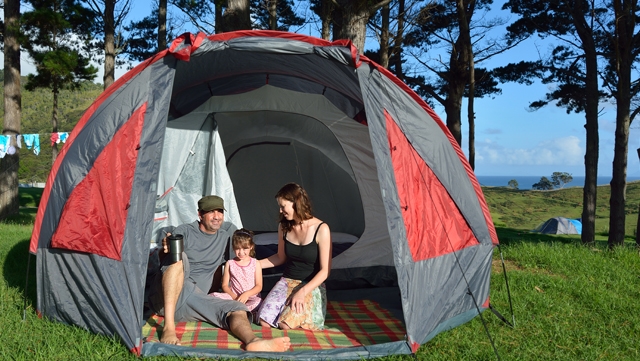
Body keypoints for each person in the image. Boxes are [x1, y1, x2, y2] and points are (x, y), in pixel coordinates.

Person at [148, 195, 290, 351]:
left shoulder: (228, 232)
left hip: (195, 300)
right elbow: (167, 261)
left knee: (236, 308)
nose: (217, 216)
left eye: (220, 211)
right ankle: (169, 327)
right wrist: (165, 250)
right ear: (200, 215)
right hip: (168, 296)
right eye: (211, 212)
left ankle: (253, 341)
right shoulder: (185, 231)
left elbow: (244, 258)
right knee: (178, 256)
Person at [256, 183, 332, 330]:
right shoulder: (284, 227)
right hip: (287, 281)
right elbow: (280, 257)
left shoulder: (321, 229)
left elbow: (325, 271)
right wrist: (253, 264)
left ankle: (309, 317)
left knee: (285, 324)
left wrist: (302, 292)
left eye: (283, 206)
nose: (280, 210)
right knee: (264, 321)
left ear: (296, 203)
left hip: (309, 285)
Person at [210, 228, 263, 312]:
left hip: (250, 298)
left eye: (245, 248)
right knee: (212, 296)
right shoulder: (230, 263)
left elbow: (259, 286)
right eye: (238, 249)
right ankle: (239, 310)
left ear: (251, 247)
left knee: (258, 302)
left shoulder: (255, 263)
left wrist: (246, 295)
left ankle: (236, 311)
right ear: (233, 248)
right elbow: (224, 285)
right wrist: (234, 297)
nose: (241, 252)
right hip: (233, 297)